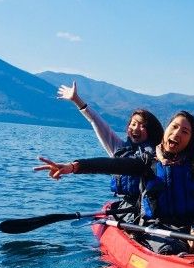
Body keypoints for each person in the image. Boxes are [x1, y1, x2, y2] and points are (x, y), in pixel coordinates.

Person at [34, 111, 194, 255]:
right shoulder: (147, 161)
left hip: (190, 225)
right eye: (174, 127)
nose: (177, 133)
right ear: (166, 129)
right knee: (171, 250)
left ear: (191, 140)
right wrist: (73, 167)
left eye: (184, 131)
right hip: (158, 227)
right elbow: (112, 164)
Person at [57, 81, 164, 214]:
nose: (136, 128)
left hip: (149, 207)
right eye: (133, 123)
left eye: (142, 125)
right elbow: (96, 121)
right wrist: (76, 100)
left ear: (151, 130)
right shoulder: (119, 148)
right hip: (127, 207)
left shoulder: (158, 154)